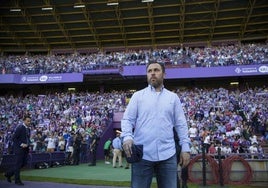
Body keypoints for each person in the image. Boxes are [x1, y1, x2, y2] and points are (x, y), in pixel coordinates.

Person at [121, 61, 191, 188]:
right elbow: (127, 120)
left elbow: (181, 124)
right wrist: (127, 136)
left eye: (156, 70)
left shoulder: (173, 97)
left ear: (164, 74)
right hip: (142, 154)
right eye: (149, 71)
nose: (152, 73)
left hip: (168, 154)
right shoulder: (137, 96)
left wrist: (185, 147)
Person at [4, 115, 31, 186]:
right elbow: (14, 138)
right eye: (28, 121)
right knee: (18, 164)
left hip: (25, 149)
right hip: (19, 149)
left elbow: (27, 139)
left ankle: (8, 174)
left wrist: (28, 144)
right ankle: (17, 180)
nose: (29, 122)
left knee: (24, 163)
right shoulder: (20, 127)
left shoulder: (28, 129)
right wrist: (21, 144)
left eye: (29, 121)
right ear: (24, 121)